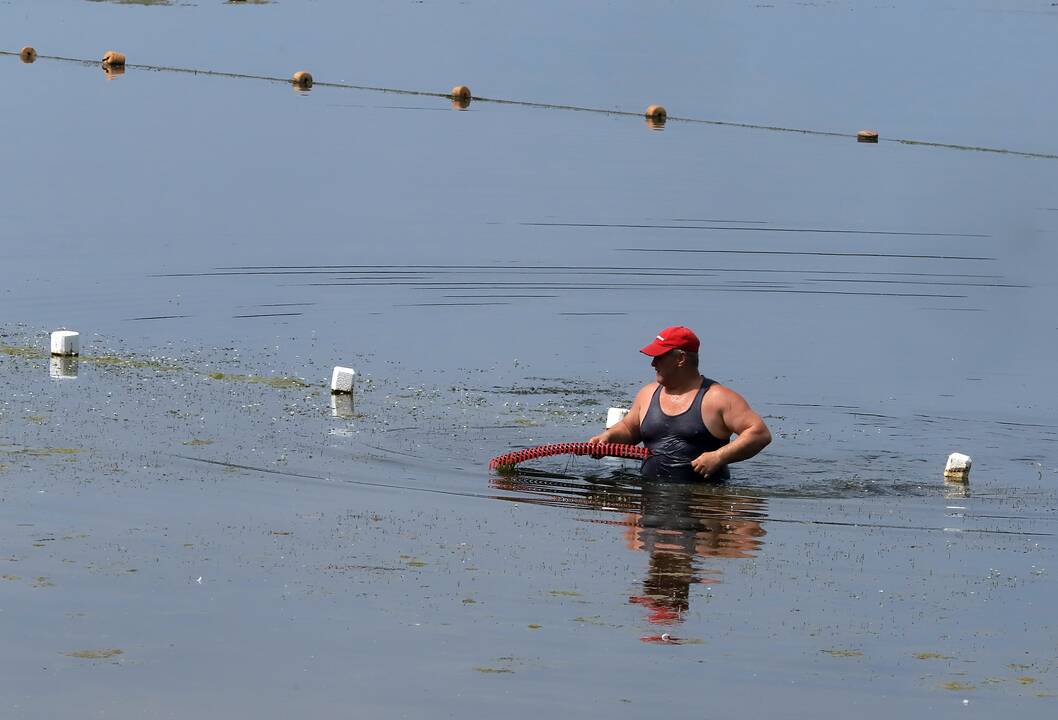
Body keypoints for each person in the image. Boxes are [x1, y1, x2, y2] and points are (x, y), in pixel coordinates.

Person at [588, 326, 771, 481]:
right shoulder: (647, 394)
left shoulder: (717, 398)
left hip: (704, 502)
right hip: (649, 501)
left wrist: (718, 457)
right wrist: (608, 437)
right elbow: (630, 428)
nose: (653, 363)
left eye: (659, 357)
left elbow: (759, 434)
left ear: (680, 359)